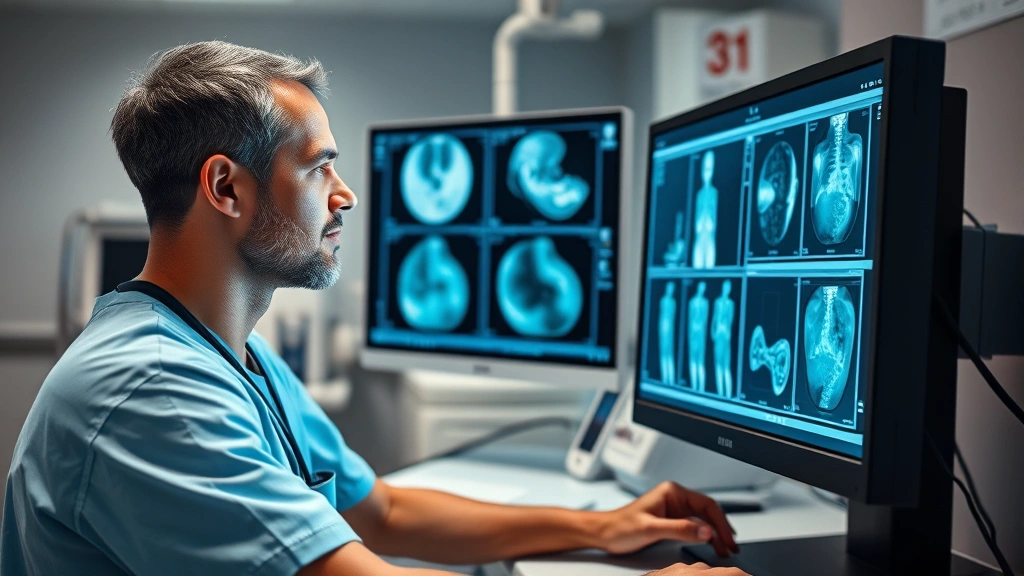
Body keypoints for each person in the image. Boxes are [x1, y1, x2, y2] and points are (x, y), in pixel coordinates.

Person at [0, 41, 746, 576]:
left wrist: (604, 526)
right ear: (226, 189)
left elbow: (381, 512)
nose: (346, 193)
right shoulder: (153, 388)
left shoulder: (230, 355)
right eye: (319, 165)